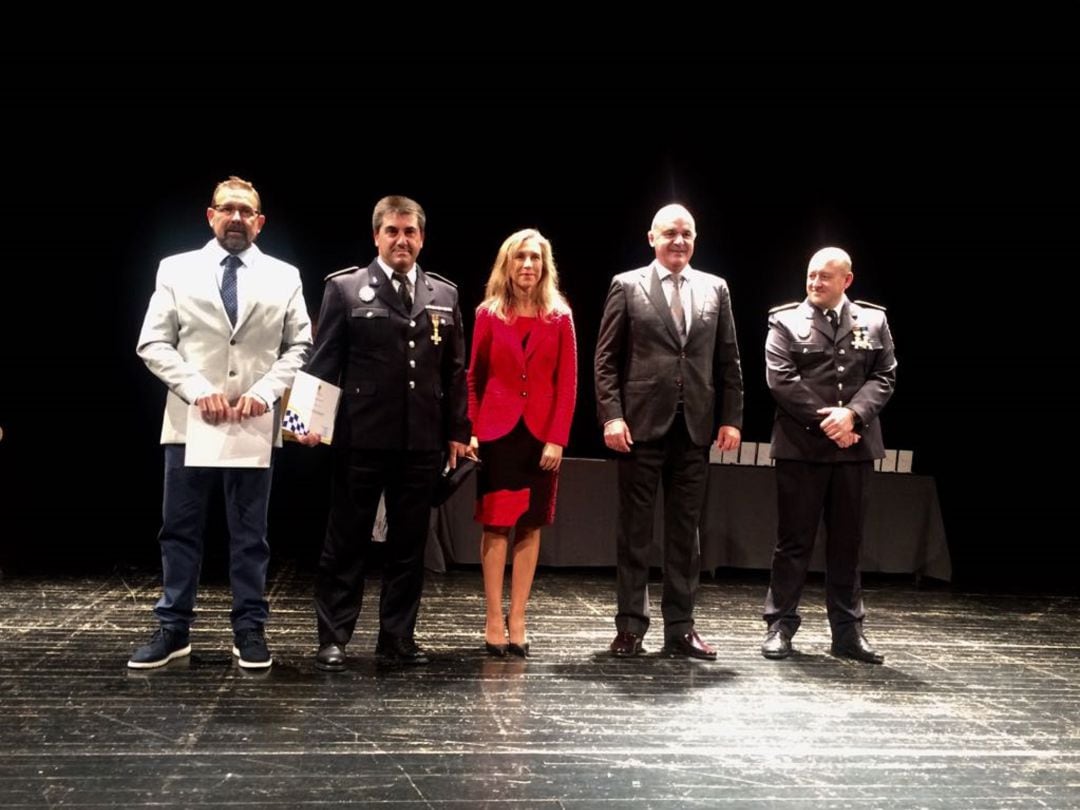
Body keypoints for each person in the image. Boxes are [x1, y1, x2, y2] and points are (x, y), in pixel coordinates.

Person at [130, 176, 312, 670]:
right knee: (180, 529)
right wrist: (197, 390)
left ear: (260, 221)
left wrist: (264, 393)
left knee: (251, 535)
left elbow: (300, 345)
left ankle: (249, 629)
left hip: (252, 425)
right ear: (210, 215)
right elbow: (153, 342)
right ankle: (173, 629)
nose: (236, 217)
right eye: (227, 209)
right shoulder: (176, 268)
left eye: (246, 211)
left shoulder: (285, 275)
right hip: (192, 423)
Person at [298, 195, 470, 670]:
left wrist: (459, 430)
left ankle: (397, 638)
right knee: (346, 540)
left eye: (409, 231)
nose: (401, 240)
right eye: (392, 231)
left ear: (422, 237)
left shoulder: (444, 294)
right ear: (377, 236)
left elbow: (455, 372)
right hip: (361, 438)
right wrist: (304, 421)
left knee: (408, 547)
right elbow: (323, 361)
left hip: (421, 442)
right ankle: (334, 637)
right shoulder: (347, 289)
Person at [594, 203, 743, 660]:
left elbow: (728, 360)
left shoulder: (715, 288)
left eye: (687, 233)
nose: (679, 241)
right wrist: (612, 416)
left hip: (694, 428)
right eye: (670, 233)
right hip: (640, 427)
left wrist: (732, 417)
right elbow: (605, 361)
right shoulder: (627, 284)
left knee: (686, 535)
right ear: (651, 237)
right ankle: (630, 627)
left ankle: (680, 627)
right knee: (635, 533)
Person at [760, 246, 897, 664]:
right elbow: (781, 380)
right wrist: (832, 422)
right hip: (803, 447)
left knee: (847, 543)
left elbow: (884, 375)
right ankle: (779, 625)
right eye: (811, 275)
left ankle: (848, 632)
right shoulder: (784, 320)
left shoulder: (873, 320)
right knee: (794, 542)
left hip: (854, 449)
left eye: (824, 276)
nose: (815, 283)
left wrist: (852, 416)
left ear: (846, 281)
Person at [467, 228, 577, 658]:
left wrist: (557, 439)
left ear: (544, 266)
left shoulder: (561, 316)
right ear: (507, 265)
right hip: (497, 434)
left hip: (540, 439)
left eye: (534, 258)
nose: (527, 265)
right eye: (520, 258)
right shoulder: (488, 314)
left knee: (530, 525)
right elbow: (473, 377)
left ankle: (519, 617)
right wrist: (473, 428)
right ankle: (494, 616)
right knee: (496, 526)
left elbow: (566, 384)